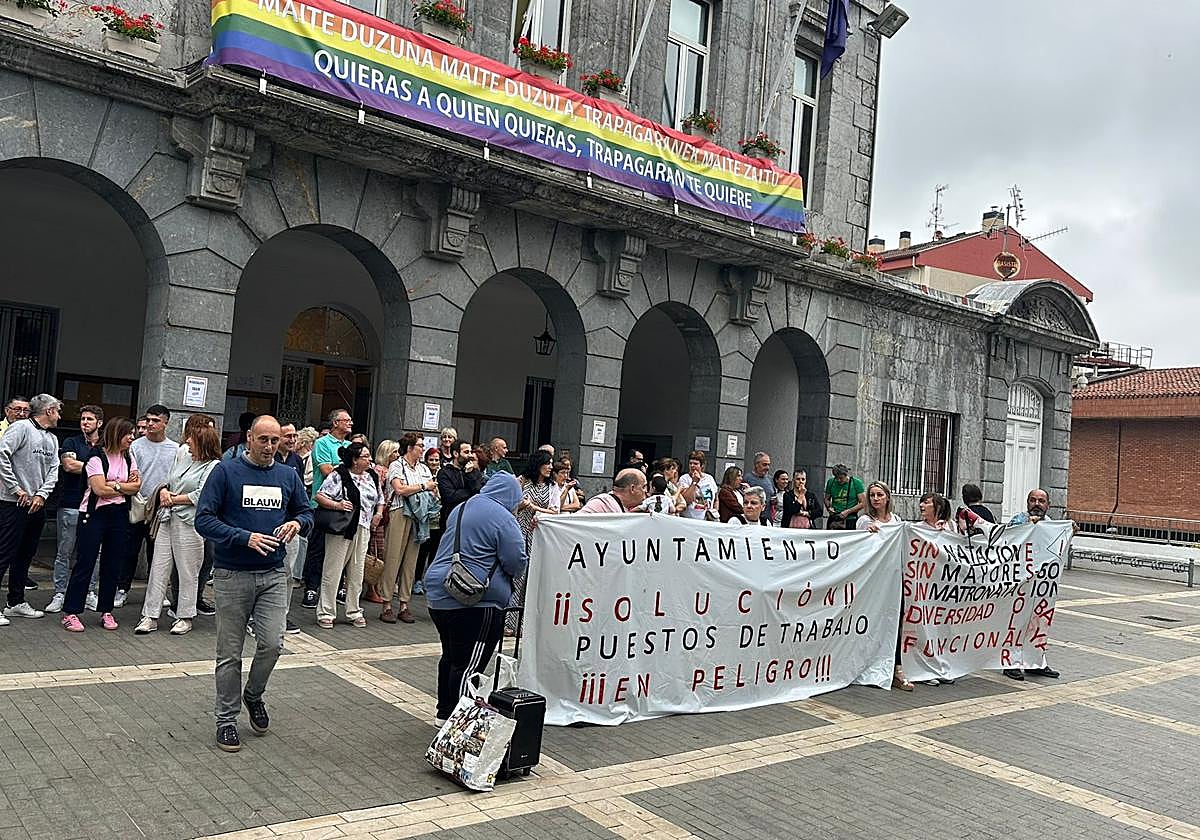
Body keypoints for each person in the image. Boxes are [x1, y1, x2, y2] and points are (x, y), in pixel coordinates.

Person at [194, 415, 312, 753]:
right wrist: (243, 538)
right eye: (263, 440)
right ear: (249, 438)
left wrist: (296, 524)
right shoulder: (225, 471)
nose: (270, 447)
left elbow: (306, 512)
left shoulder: (287, 475)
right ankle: (226, 719)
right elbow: (204, 519)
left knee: (273, 643)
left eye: (275, 441)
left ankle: (254, 694)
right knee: (229, 653)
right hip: (232, 575)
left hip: (274, 574)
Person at [424, 473, 527, 723]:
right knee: (469, 664)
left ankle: (444, 712)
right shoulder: (503, 517)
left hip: (440, 591)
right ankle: (457, 723)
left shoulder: (462, 507)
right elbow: (516, 559)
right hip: (476, 599)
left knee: (450, 657)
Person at [135, 424, 221, 635]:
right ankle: (150, 616)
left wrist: (172, 499)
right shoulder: (184, 457)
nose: (187, 443)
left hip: (190, 524)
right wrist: (164, 490)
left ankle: (185, 616)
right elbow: (170, 479)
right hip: (167, 519)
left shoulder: (214, 466)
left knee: (188, 571)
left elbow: (202, 495)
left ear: (202, 442)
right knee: (158, 567)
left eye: (191, 439)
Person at [61, 416, 139, 632]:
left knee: (113, 563)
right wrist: (122, 486)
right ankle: (71, 611)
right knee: (85, 562)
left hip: (119, 514)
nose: (132, 438)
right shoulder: (95, 457)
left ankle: (106, 610)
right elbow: (98, 489)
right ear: (116, 434)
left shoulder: (129, 457)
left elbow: (137, 486)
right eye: (128, 434)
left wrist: (113, 485)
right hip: (94, 514)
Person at [0, 394, 62, 625]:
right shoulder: (21, 428)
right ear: (48, 411)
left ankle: (15, 602)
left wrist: (42, 494)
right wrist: (16, 489)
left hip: (36, 504)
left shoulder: (52, 439)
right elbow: (1, 456)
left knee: (25, 554)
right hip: (11, 503)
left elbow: (55, 468)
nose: (59, 415)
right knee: (4, 552)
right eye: (57, 410)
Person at [314, 441, 382, 629]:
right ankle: (326, 611)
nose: (369, 459)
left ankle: (354, 610)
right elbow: (320, 496)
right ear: (354, 459)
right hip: (342, 528)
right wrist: (337, 505)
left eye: (369, 456)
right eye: (365, 456)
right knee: (333, 570)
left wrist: (378, 513)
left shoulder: (372, 476)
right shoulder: (339, 474)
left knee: (357, 571)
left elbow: (380, 499)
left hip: (364, 528)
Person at [117, 404, 178, 609]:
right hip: (137, 504)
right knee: (128, 550)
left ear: (166, 423)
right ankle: (122, 589)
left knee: (158, 554)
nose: (150, 424)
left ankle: (158, 593)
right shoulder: (136, 446)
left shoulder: (175, 449)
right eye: (148, 420)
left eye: (156, 421)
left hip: (161, 508)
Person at [999, 488, 1062, 682]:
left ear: (1047, 505)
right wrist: (1028, 526)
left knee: (1038, 624)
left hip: (1041, 586)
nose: (1037, 504)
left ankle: (1035, 662)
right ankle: (1011, 663)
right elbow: (1007, 542)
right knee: (1016, 625)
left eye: (1041, 501)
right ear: (1027, 503)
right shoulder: (1019, 520)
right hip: (1021, 584)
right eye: (1033, 500)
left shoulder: (1052, 525)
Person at [47, 404, 104, 614]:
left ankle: (89, 592)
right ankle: (60, 593)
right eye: (82, 419)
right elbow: (69, 465)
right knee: (64, 551)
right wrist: (98, 468)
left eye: (89, 419)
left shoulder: (105, 445)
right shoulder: (71, 441)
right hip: (71, 504)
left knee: (92, 553)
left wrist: (89, 466)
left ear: (99, 423)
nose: (85, 423)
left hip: (96, 505)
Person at [382, 432, 436, 624]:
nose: (422, 448)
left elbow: (433, 489)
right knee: (393, 557)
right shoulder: (396, 465)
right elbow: (399, 490)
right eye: (420, 445)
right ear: (410, 447)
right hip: (399, 512)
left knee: (411, 562)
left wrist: (421, 488)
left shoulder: (423, 468)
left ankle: (404, 604)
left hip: (419, 517)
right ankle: (386, 603)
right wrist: (423, 486)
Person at [301, 408, 352, 609]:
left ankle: (337, 586)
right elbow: (327, 471)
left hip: (346, 504)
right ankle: (311, 588)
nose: (350, 423)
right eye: (346, 420)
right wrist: (348, 468)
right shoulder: (322, 443)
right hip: (322, 504)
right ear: (335, 423)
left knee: (340, 550)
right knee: (318, 549)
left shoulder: (349, 445)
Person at [412, 447, 444, 596]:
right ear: (426, 460)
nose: (434, 462)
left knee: (434, 552)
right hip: (425, 519)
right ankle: (417, 579)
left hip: (438, 519)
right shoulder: (422, 474)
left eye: (436, 460)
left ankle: (428, 580)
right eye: (431, 459)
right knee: (422, 552)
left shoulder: (442, 475)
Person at [438, 439, 483, 526]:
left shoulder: (474, 472)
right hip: (451, 518)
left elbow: (479, 492)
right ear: (456, 454)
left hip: (472, 517)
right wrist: (470, 492)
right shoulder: (444, 473)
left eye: (470, 452)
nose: (470, 455)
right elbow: (450, 497)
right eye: (466, 452)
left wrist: (469, 475)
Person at [578, 469, 648, 513]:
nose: (646, 491)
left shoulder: (629, 508)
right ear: (632, 488)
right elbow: (574, 523)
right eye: (644, 487)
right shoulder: (601, 504)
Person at [677, 450, 717, 520]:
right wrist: (694, 482)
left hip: (707, 519)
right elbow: (686, 500)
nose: (692, 466)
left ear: (702, 465)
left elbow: (716, 499)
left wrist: (715, 511)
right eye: (690, 463)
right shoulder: (684, 478)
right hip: (690, 519)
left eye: (695, 464)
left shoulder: (709, 478)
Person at [824, 464, 865, 530]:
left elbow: (863, 503)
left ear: (846, 475)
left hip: (850, 519)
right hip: (835, 518)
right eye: (836, 478)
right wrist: (829, 508)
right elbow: (826, 499)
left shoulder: (856, 483)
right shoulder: (831, 482)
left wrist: (848, 511)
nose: (838, 480)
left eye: (841, 478)